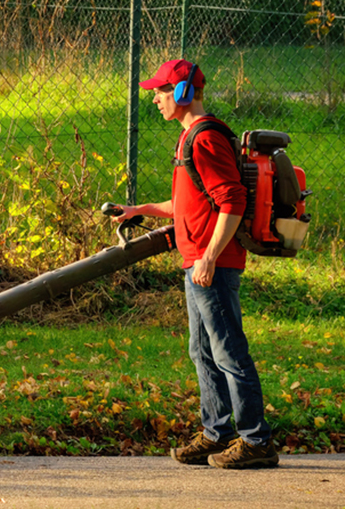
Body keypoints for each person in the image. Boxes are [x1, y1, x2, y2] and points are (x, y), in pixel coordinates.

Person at [113, 58, 277, 469]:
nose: (155, 99)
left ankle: (256, 440)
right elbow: (190, 202)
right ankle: (216, 433)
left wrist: (209, 256)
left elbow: (232, 201)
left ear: (183, 93)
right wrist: (141, 208)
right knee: (202, 352)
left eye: (161, 92)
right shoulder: (190, 139)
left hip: (212, 265)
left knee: (228, 353)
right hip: (199, 262)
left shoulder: (204, 139)